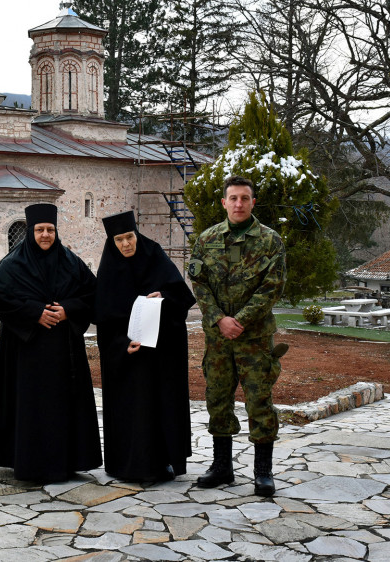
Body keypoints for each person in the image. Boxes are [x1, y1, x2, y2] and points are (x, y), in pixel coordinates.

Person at [0, 203, 102, 482]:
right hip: (26, 353)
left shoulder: (71, 263)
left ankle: (66, 462)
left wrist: (67, 310)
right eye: (39, 230)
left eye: (50, 230)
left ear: (56, 231)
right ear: (30, 232)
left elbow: (92, 294)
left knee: (62, 408)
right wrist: (34, 313)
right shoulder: (11, 265)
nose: (45, 235)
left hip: (64, 353)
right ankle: (28, 464)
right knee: (30, 407)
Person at [187, 175, 286, 497]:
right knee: (218, 400)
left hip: (254, 339)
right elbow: (199, 284)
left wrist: (239, 321)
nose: (239, 204)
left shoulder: (270, 241)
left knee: (259, 401)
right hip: (218, 339)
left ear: (253, 202)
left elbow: (272, 288)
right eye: (233, 198)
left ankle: (263, 472)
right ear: (224, 203)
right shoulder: (206, 239)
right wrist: (219, 320)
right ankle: (222, 466)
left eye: (245, 198)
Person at [95, 211, 196, 482]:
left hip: (163, 354)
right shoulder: (109, 270)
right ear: (112, 242)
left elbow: (183, 297)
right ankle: (129, 465)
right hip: (129, 356)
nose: (126, 244)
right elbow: (104, 321)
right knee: (133, 411)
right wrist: (121, 345)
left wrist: (163, 297)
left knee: (160, 407)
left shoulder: (155, 256)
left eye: (130, 237)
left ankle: (163, 462)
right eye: (119, 240)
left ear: (136, 235)